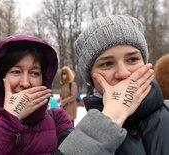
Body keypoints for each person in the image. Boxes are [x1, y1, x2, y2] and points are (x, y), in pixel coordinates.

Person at [58, 15, 169, 155]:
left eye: (132, 59)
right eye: (107, 64)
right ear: (91, 79)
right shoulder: (73, 139)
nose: (123, 73)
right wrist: (110, 118)